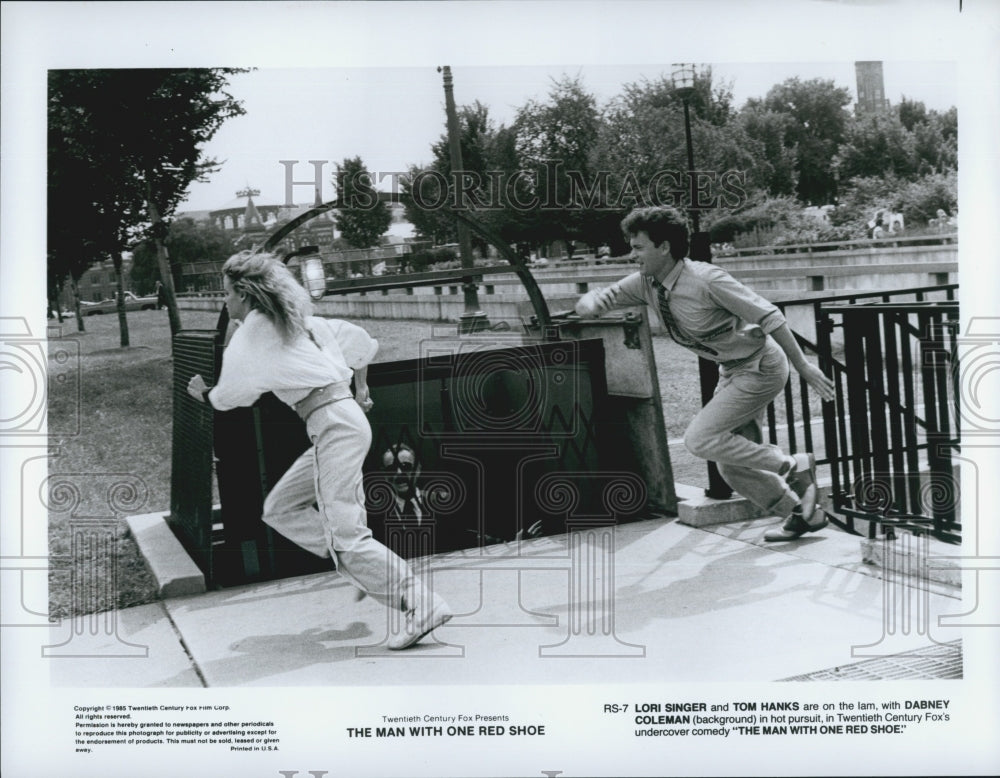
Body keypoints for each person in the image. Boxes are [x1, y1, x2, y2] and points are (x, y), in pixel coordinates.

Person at [186, 250, 452, 648]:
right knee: (280, 508)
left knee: (346, 536)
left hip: (334, 426)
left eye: (226, 293)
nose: (224, 301)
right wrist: (360, 387)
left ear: (245, 294)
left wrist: (204, 395)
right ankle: (361, 567)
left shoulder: (255, 330)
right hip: (335, 423)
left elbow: (232, 395)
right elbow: (361, 344)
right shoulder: (295, 323)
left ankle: (420, 601)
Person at [575, 206, 837, 541]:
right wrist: (591, 302)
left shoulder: (706, 280)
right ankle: (804, 514)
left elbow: (769, 315)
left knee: (699, 439)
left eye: (639, 247)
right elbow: (605, 297)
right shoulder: (645, 283)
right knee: (731, 466)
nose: (632, 255)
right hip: (732, 370)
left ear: (665, 246)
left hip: (760, 367)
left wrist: (802, 365)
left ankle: (793, 465)